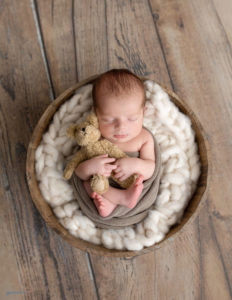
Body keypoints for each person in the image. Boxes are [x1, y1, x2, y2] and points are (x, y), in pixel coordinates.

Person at [74, 69, 156, 217]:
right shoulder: (94, 137)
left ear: (143, 112)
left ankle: (119, 200)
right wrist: (92, 167)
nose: (121, 127)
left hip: (134, 190)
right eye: (109, 120)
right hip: (102, 186)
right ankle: (118, 199)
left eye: (132, 119)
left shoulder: (144, 138)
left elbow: (151, 168)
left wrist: (135, 165)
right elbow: (79, 172)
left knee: (138, 185)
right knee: (88, 184)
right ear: (96, 113)